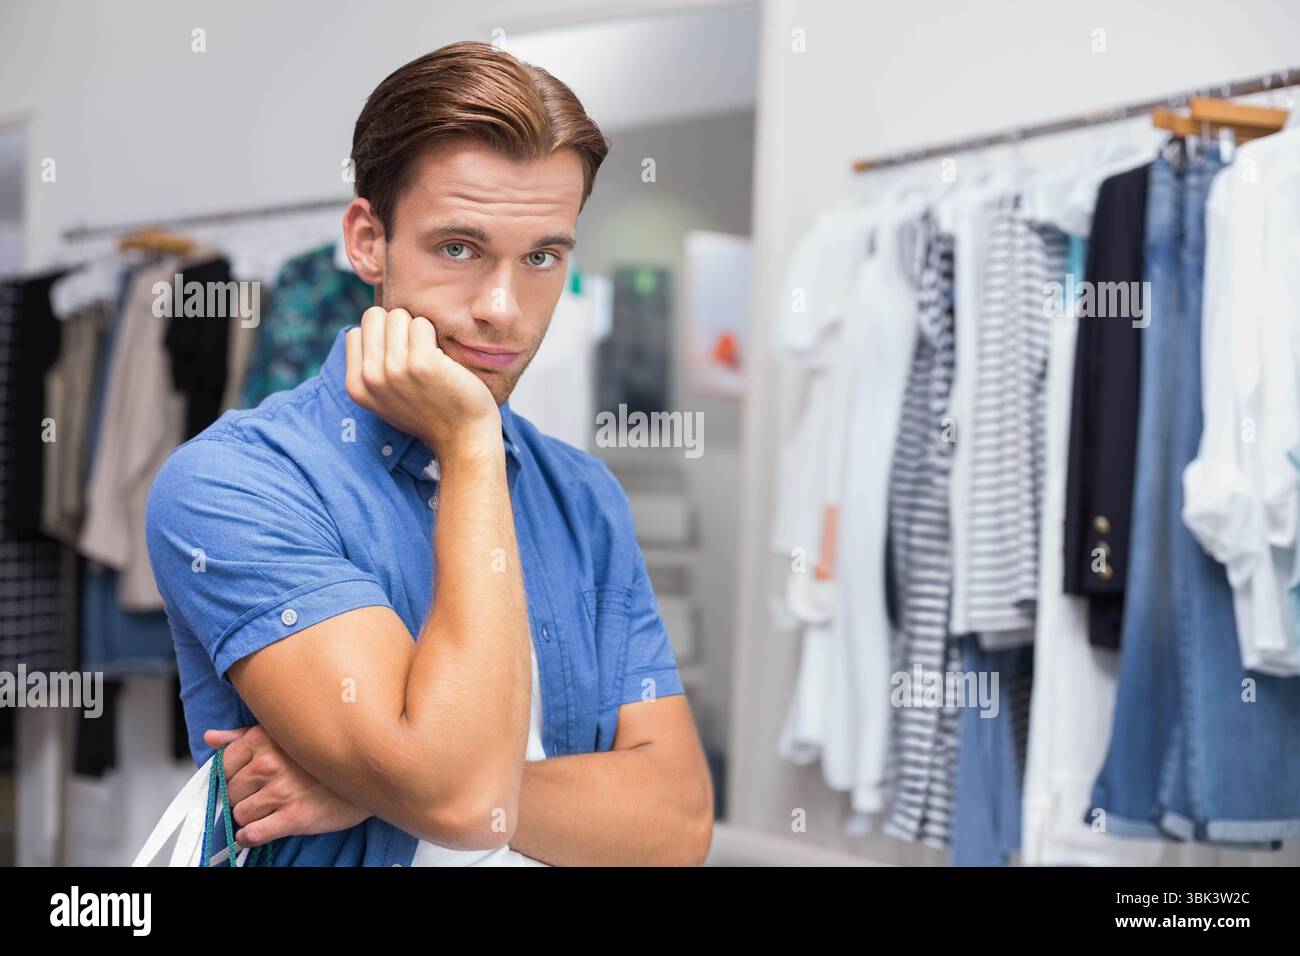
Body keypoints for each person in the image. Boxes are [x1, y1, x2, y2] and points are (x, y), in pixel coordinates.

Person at [144, 40, 713, 866]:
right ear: (369, 241)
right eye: (459, 248)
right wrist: (474, 444)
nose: (502, 309)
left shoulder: (582, 494)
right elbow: (457, 799)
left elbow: (678, 823)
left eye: (543, 257)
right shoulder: (234, 484)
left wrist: (375, 793)